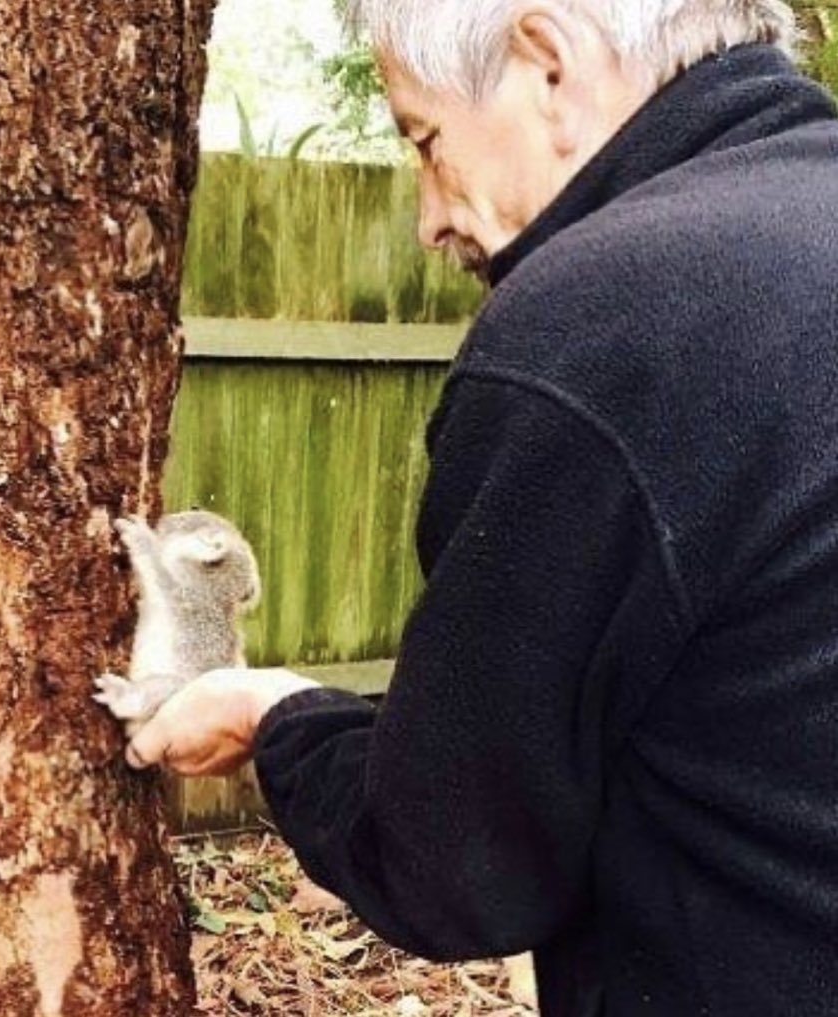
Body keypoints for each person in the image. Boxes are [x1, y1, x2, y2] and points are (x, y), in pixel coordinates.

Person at [126, 2, 838, 1014]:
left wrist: (274, 715)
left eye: (424, 140)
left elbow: (458, 867)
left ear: (546, 64)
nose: (428, 219)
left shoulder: (599, 327)